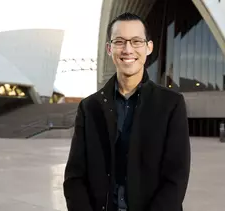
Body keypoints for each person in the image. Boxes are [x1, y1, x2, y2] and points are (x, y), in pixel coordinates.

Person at [63, 12, 191, 211]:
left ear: (149, 47)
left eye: (136, 41)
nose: (128, 49)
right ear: (109, 48)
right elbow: (75, 178)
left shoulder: (171, 104)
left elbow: (176, 178)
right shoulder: (90, 107)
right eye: (120, 41)